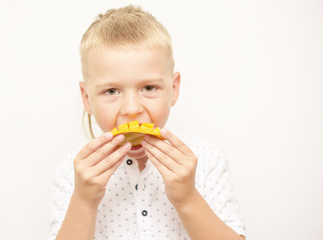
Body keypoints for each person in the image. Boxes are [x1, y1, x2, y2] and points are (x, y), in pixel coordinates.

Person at [48, 5, 246, 240]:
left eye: (149, 88)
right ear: (87, 99)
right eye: (111, 91)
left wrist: (188, 198)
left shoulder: (206, 160)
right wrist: (83, 202)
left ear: (173, 89)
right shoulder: (72, 174)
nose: (132, 109)